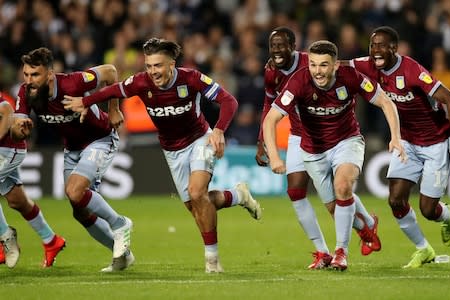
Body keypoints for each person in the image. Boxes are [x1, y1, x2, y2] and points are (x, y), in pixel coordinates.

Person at [63, 38, 262, 273]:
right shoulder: (140, 82)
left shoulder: (191, 78)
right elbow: (113, 90)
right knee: (196, 205)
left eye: (157, 65)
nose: (152, 71)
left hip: (200, 139)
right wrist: (85, 101)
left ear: (171, 64)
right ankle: (238, 196)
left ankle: (212, 260)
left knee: (198, 193)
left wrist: (218, 130)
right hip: (171, 149)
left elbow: (229, 100)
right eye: (148, 66)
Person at [263, 40, 406, 271]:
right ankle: (367, 225)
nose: (318, 71)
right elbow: (271, 119)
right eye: (313, 65)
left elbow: (386, 102)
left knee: (343, 186)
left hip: (346, 141)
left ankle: (341, 252)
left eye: (323, 65)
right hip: (312, 150)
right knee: (333, 208)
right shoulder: (298, 81)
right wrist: (275, 156)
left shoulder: (350, 77)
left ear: (336, 65)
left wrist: (396, 137)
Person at [348, 26, 450, 268]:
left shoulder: (411, 70)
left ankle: (445, 215)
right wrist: (300, 64)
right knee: (395, 200)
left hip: (436, 143)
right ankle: (423, 250)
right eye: (372, 45)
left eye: (381, 45)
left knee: (427, 209)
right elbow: (337, 64)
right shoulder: (369, 65)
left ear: (394, 48)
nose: (375, 50)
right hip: (408, 143)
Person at [17, 47, 134, 272]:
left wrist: (113, 109)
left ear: (49, 74)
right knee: (79, 210)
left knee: (74, 190)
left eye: (35, 75)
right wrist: (20, 129)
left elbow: (110, 71)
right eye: (26, 75)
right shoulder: (26, 93)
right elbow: (19, 123)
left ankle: (120, 224)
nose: (29, 81)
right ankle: (122, 255)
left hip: (100, 138)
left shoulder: (72, 83)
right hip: (72, 148)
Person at [0, 99, 65, 268]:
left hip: (7, 148)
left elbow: (6, 109)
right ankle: (51, 240)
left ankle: (4, 237)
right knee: (16, 200)